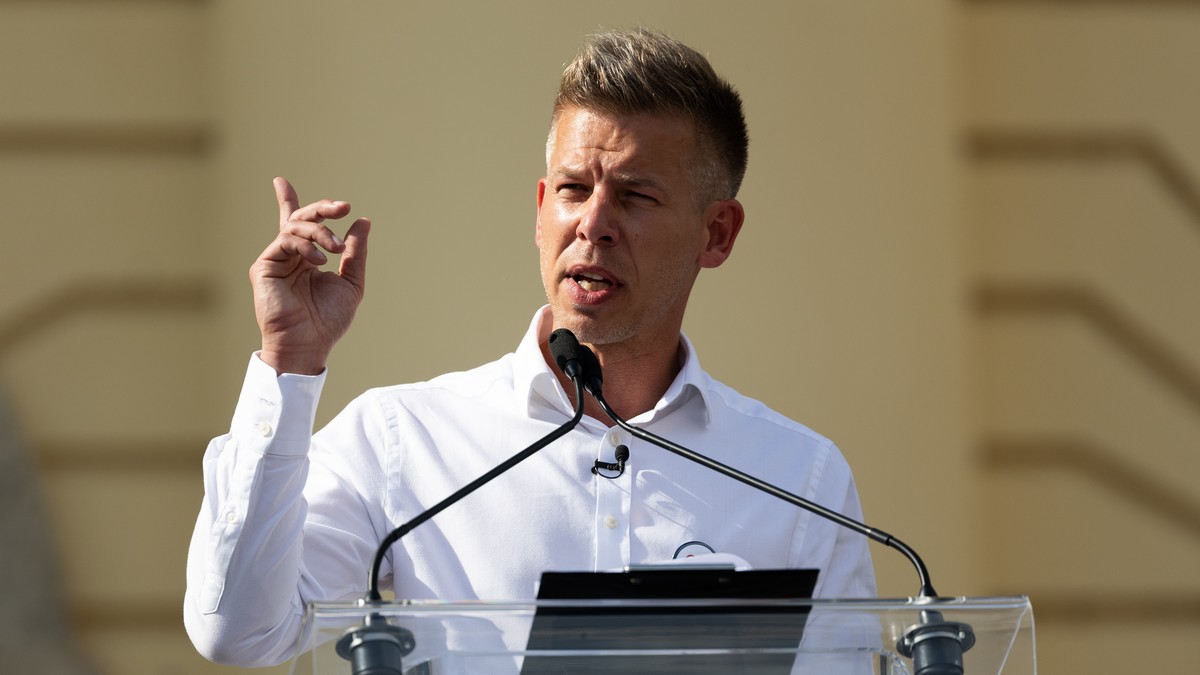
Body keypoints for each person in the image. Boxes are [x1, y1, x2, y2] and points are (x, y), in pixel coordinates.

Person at [184, 28, 876, 667]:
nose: (593, 224)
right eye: (573, 189)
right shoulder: (403, 439)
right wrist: (287, 362)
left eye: (636, 196)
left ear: (716, 233)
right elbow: (238, 630)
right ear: (541, 210)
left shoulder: (799, 479)